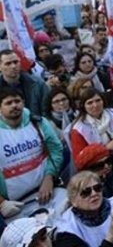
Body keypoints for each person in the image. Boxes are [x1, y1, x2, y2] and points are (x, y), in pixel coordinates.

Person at [0, 88, 65, 222]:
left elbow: (56, 149)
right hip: (15, 206)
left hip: (47, 193)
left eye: (17, 101)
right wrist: (1, 203)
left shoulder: (38, 122)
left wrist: (49, 177)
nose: (14, 105)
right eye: (8, 103)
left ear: (23, 102)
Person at [54, 171, 113, 246]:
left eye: (97, 188)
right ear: (73, 201)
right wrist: (111, 236)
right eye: (86, 192)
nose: (94, 194)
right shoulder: (66, 230)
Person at [69, 88, 113, 159]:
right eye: (90, 103)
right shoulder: (79, 129)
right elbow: (79, 159)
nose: (95, 105)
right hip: (101, 165)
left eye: (98, 100)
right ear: (83, 106)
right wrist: (105, 148)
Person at [0, 49, 49, 118]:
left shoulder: (38, 84)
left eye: (15, 62)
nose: (13, 66)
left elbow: (47, 111)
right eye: (8, 63)